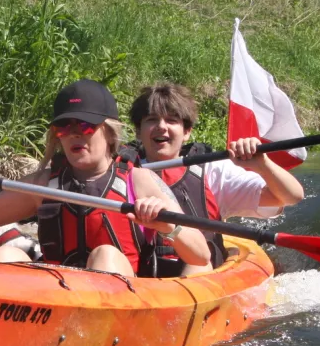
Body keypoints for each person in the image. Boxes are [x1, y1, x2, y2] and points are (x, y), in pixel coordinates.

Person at [0, 79, 210, 277]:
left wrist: (167, 226)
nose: (75, 134)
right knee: (6, 254)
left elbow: (200, 256)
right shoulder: (43, 185)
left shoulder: (139, 180)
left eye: (86, 126)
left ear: (109, 133)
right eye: (65, 127)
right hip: (57, 301)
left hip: (126, 299)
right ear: (58, 136)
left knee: (105, 255)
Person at [128, 82, 304, 276]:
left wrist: (262, 164)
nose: (161, 127)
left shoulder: (212, 171)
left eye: (171, 120)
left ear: (187, 132)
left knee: (200, 262)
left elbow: (291, 196)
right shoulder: (119, 170)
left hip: (201, 275)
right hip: (139, 279)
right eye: (152, 120)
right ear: (138, 131)